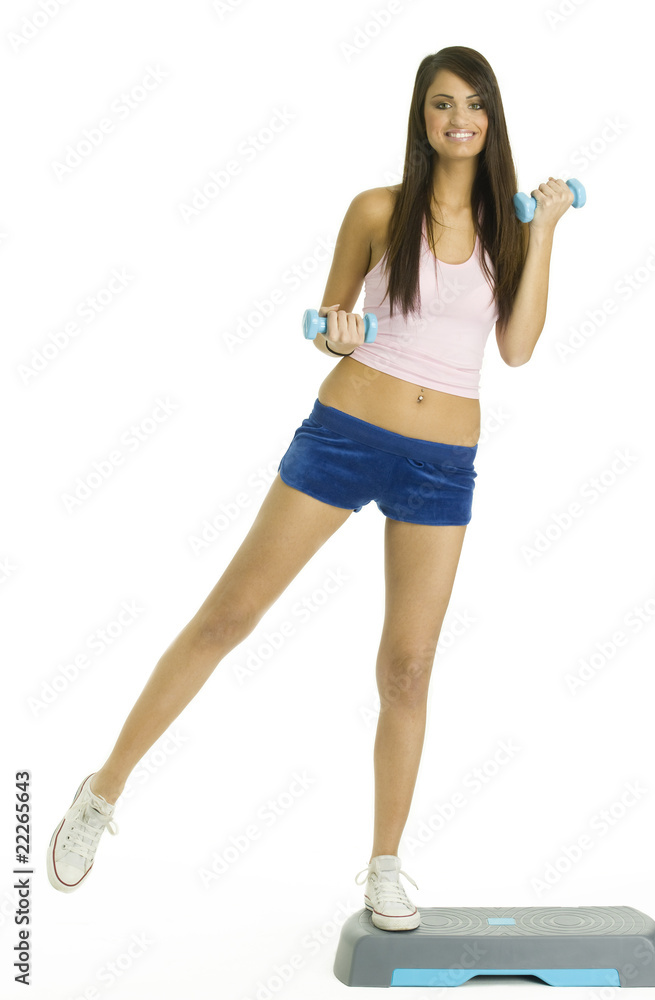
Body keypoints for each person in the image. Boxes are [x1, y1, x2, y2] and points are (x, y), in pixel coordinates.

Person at [46, 45, 577, 932]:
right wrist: (337, 332)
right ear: (422, 118)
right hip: (346, 434)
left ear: (493, 117)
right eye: (443, 103)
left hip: (441, 463)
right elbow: (330, 324)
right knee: (228, 617)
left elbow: (517, 350)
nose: (459, 119)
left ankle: (384, 868)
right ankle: (101, 793)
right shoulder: (377, 209)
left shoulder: (513, 227)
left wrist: (549, 231)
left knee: (407, 668)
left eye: (474, 103)